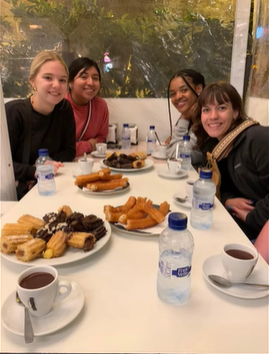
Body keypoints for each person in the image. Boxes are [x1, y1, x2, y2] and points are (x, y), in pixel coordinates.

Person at [192, 81, 269, 240]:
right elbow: (218, 185)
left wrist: (252, 217)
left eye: (221, 108)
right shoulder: (213, 146)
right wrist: (227, 200)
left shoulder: (257, 139)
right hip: (236, 223)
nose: (213, 116)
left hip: (259, 230)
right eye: (206, 110)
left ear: (235, 112)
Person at [5, 50, 76, 200]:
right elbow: (4, 164)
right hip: (18, 195)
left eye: (62, 80)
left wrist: (45, 168)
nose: (56, 85)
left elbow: (69, 151)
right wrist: (33, 171)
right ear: (32, 81)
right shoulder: (14, 112)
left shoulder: (64, 108)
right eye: (48, 77)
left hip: (52, 186)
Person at [66, 57, 109, 157]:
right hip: (62, 165)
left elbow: (101, 140)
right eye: (84, 77)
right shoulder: (59, 106)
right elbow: (61, 149)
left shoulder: (100, 106)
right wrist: (89, 145)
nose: (90, 83)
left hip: (91, 163)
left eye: (95, 78)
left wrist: (78, 146)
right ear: (70, 82)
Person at [165, 69, 206, 157]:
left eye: (184, 90)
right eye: (173, 94)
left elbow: (177, 155)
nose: (178, 97)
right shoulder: (190, 115)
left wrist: (184, 118)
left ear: (198, 89)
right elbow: (170, 147)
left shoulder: (206, 120)